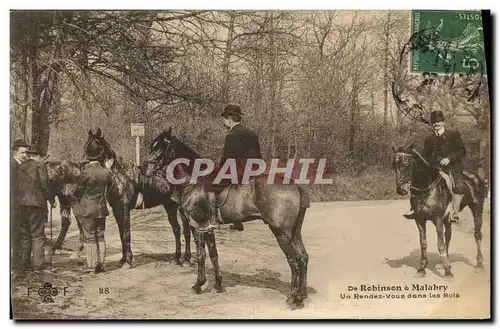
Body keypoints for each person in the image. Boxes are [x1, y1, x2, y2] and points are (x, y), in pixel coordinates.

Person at [204, 105, 263, 232]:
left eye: (224, 119)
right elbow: (258, 154)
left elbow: (229, 158)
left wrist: (219, 171)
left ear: (229, 119)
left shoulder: (232, 135)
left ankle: (213, 220)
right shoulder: (251, 132)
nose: (223, 121)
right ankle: (237, 222)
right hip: (255, 169)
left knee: (209, 186)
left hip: (239, 170)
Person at [403, 110, 466, 221]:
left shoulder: (453, 134)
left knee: (458, 186)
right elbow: (425, 155)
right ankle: (413, 208)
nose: (436, 124)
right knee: (417, 179)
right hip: (433, 168)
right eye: (434, 122)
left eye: (438, 122)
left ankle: (453, 212)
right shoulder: (429, 139)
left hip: (450, 167)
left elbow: (461, 151)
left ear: (443, 123)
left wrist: (449, 159)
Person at [14, 143, 56, 275]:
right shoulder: (39, 165)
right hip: (36, 204)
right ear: (37, 155)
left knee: (25, 234)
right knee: (37, 235)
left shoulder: (19, 166)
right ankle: (38, 265)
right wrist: (51, 199)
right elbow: (44, 185)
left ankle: (23, 264)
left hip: (20, 204)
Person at [72, 143, 113, 274]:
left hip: (87, 210)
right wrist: (108, 168)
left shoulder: (84, 173)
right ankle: (101, 264)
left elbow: (76, 192)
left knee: (89, 238)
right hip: (101, 209)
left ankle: (90, 266)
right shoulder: (106, 172)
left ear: (88, 157)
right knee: (100, 236)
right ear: (100, 156)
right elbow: (111, 187)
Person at [11, 139, 29, 274]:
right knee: (17, 233)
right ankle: (17, 263)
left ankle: (18, 262)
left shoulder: (21, 165)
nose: (25, 155)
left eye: (26, 152)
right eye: (22, 152)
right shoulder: (12, 165)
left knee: (19, 232)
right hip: (14, 205)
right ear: (15, 152)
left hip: (20, 205)